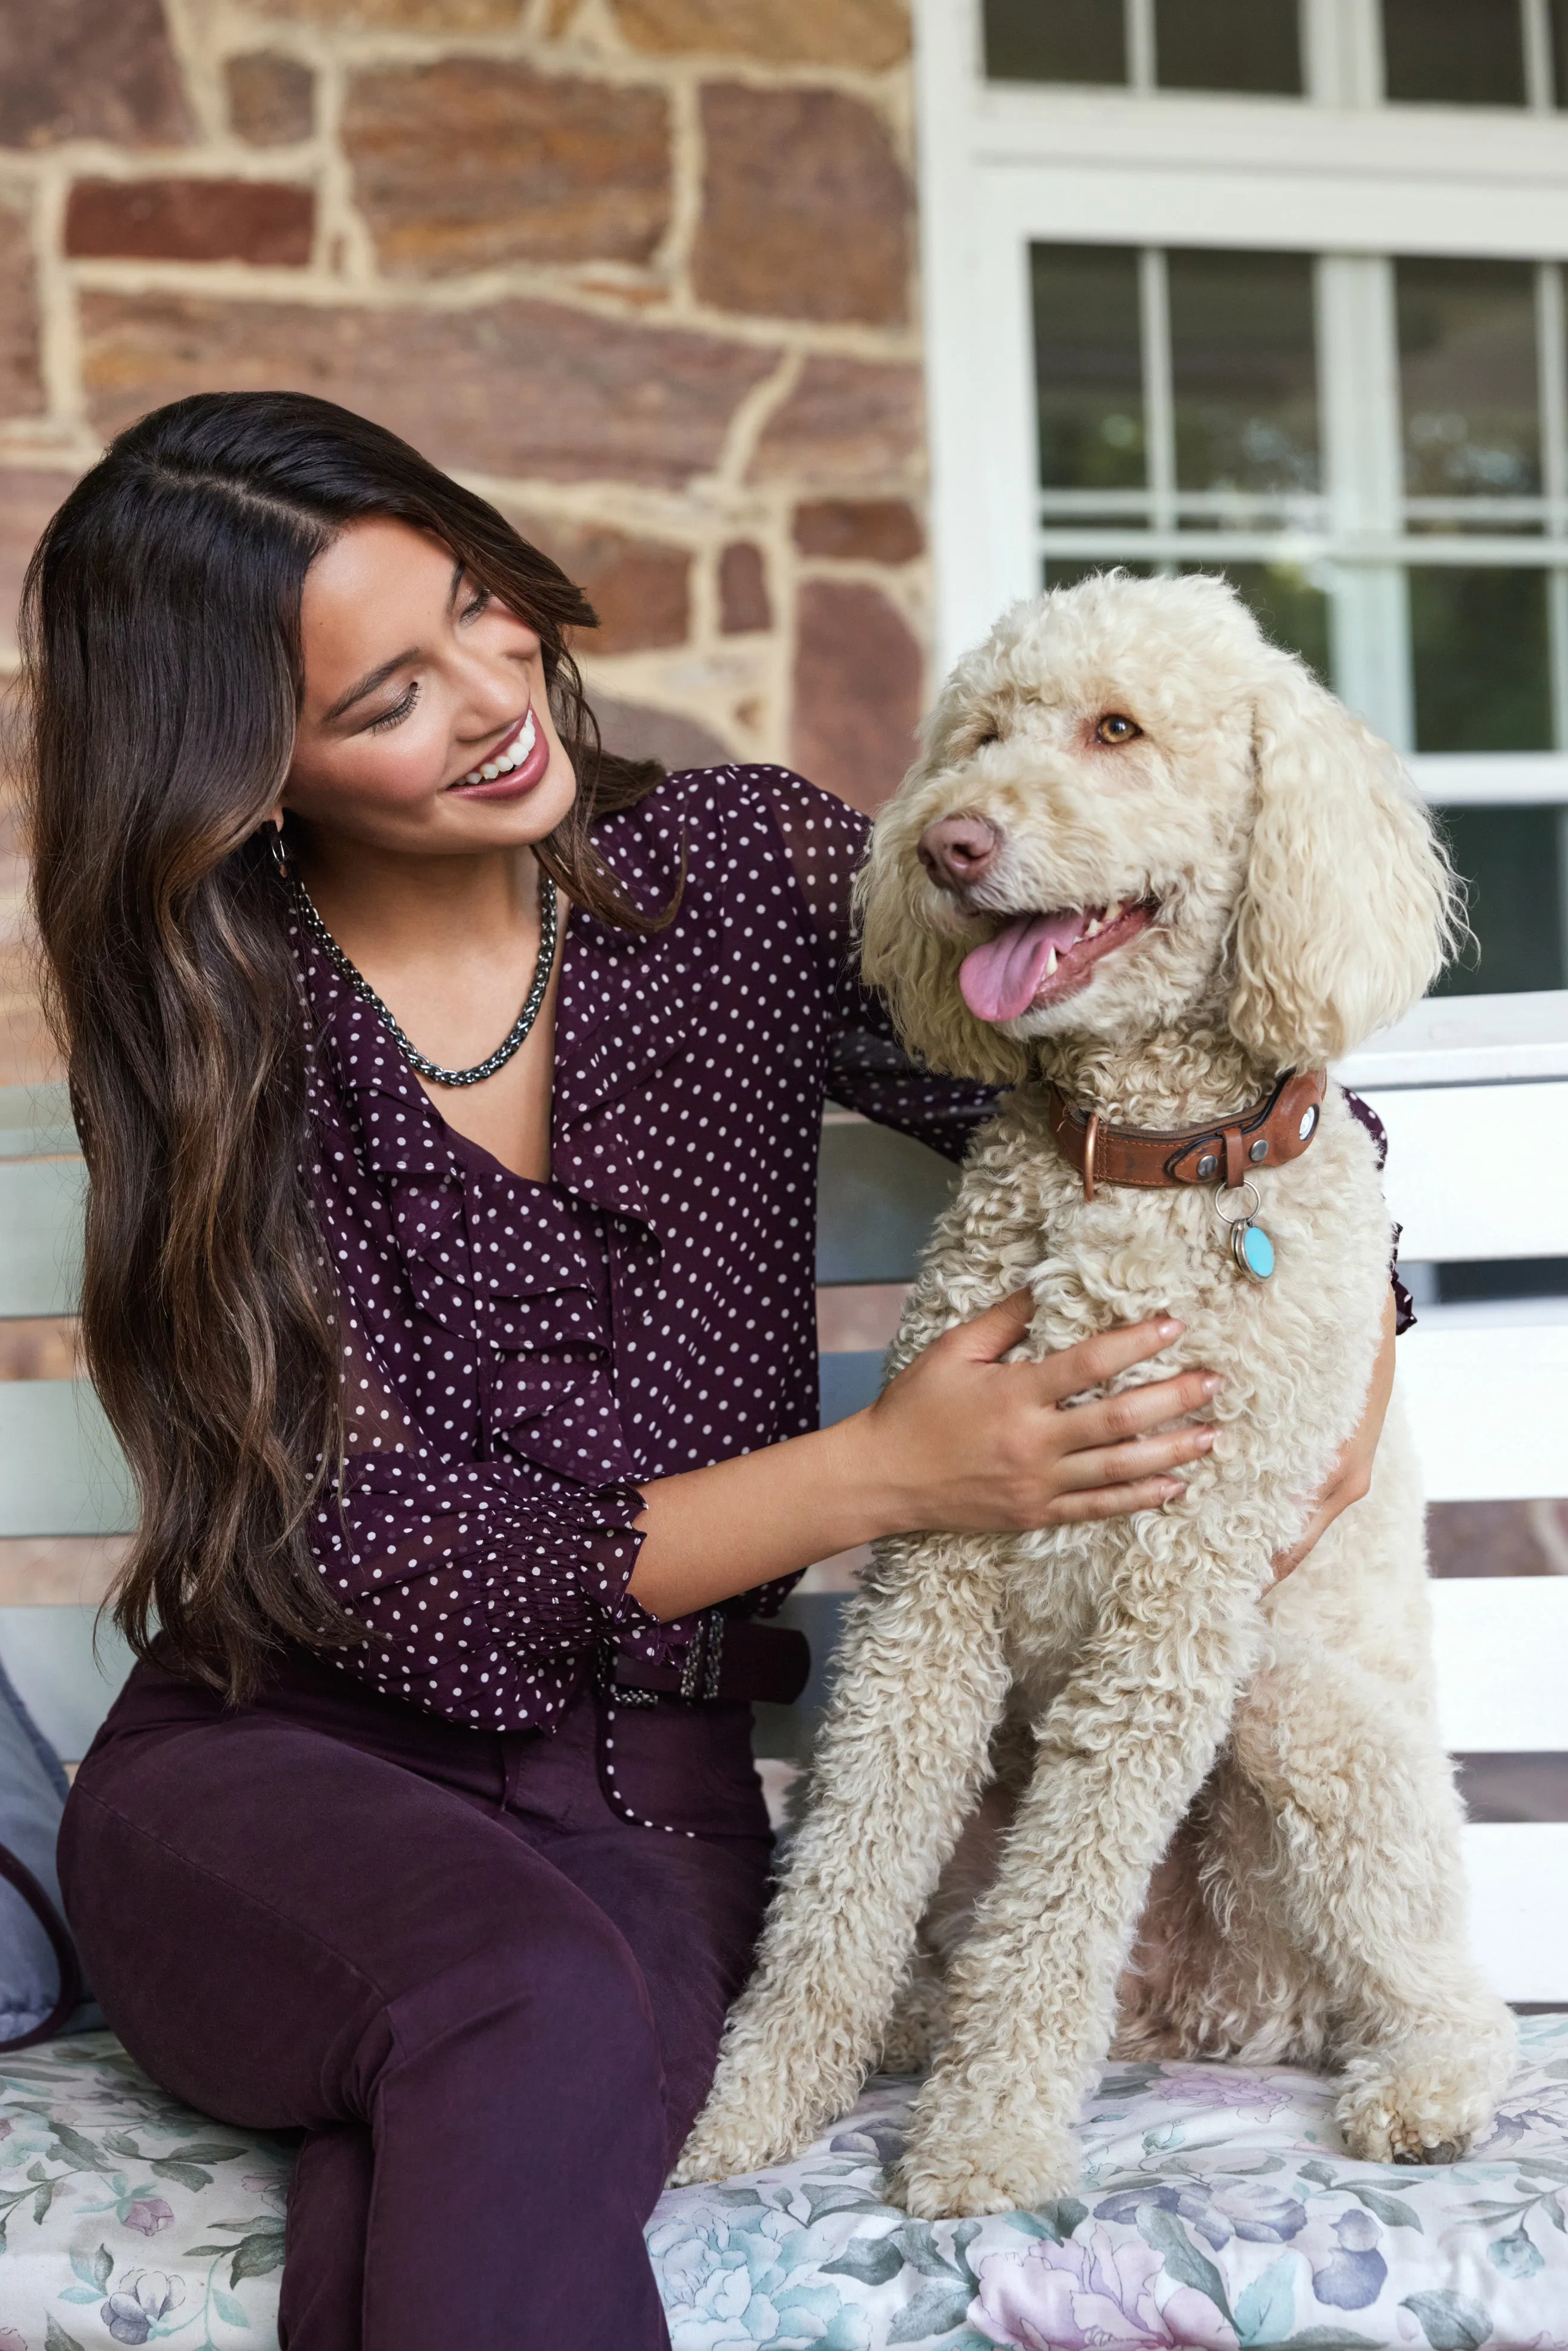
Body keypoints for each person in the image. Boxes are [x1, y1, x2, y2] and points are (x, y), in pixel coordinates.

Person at [23, 392, 1397, 2350]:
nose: (498, 691)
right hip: (272, 1774)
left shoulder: (738, 875)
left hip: (640, 1816)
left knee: (476, 2080)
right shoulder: (222, 1029)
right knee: (512, 2004)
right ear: (245, 773)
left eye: (482, 603)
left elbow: (1151, 1068)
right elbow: (370, 1556)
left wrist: (1345, 1328)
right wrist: (890, 1474)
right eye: (388, 696)